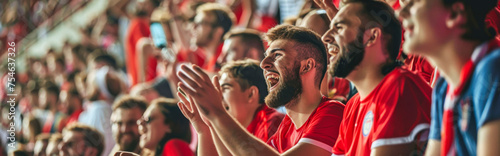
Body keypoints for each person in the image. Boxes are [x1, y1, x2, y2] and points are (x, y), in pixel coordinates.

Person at [176, 24, 344, 155]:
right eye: (266, 56)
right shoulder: (285, 128)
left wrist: (217, 113)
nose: (264, 64)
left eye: (277, 55)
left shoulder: (332, 113)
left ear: (307, 66)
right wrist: (207, 125)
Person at [321, 0, 432, 155]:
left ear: (372, 36)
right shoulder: (353, 105)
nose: (325, 37)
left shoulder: (399, 87)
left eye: (339, 27)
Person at [399, 0, 500, 155]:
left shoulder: (493, 70)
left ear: (454, 14)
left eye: (415, 2)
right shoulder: (443, 88)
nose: (400, 12)